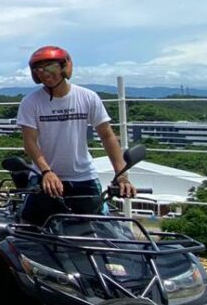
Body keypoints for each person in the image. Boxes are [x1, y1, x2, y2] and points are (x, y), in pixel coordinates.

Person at [17, 45, 136, 224]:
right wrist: (46, 171)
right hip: (45, 175)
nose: (45, 74)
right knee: (30, 227)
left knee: (99, 226)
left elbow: (107, 136)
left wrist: (121, 174)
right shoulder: (31, 103)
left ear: (65, 67)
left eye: (51, 67)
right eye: (39, 70)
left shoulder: (88, 97)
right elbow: (30, 142)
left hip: (83, 175)